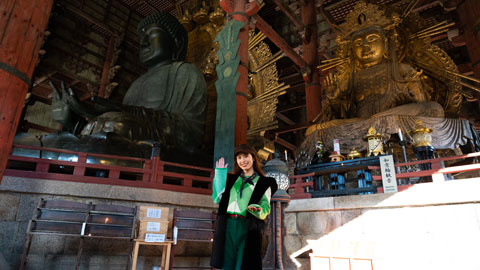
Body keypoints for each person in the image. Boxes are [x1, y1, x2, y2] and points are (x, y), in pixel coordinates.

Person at [50, 11, 208, 155]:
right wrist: (72, 122)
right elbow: (120, 117)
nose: (143, 43)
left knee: (118, 125)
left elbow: (189, 133)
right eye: (141, 38)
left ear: (177, 41)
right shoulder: (137, 84)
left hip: (163, 146)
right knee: (60, 139)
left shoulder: (186, 72)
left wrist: (120, 110)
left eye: (151, 35)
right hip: (128, 135)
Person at [210, 144, 278, 270]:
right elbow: (217, 198)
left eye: (245, 156)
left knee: (244, 263)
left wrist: (259, 211)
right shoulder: (230, 179)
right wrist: (219, 175)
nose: (243, 160)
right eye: (239, 158)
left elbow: (265, 205)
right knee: (227, 262)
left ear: (253, 158)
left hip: (247, 226)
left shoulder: (264, 182)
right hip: (227, 224)